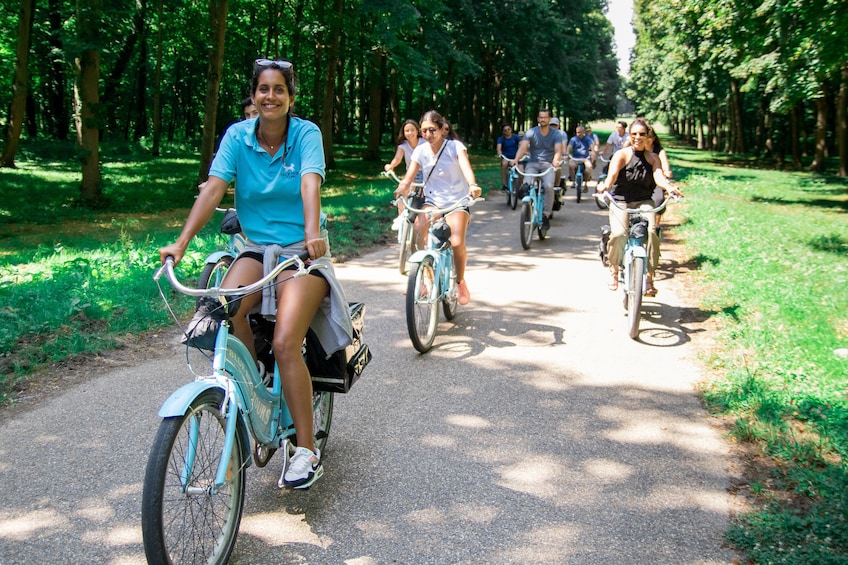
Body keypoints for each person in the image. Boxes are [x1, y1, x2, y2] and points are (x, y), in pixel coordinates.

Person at [159, 58, 352, 490]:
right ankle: (251, 390)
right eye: (263, 89)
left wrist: (310, 233)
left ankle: (306, 449)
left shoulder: (306, 134)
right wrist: (181, 242)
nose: (270, 96)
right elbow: (213, 188)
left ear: (290, 97)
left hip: (302, 253)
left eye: (279, 89)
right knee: (222, 313)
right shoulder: (237, 137)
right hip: (254, 249)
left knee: (286, 341)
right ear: (254, 95)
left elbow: (309, 183)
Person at [394, 110, 482, 305]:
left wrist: (473, 185)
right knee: (417, 232)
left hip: (457, 201)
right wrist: (401, 188)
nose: (427, 135)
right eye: (423, 131)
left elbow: (466, 168)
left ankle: (459, 281)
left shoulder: (454, 147)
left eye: (432, 130)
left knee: (457, 242)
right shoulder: (420, 151)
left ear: (443, 129)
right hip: (433, 201)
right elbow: (409, 177)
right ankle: (422, 278)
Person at [596, 117, 681, 296]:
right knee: (619, 234)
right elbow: (611, 176)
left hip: (644, 202)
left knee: (651, 233)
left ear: (648, 136)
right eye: (634, 134)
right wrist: (604, 186)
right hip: (620, 201)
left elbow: (659, 177)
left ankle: (649, 277)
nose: (637, 137)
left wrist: (669, 187)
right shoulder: (622, 155)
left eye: (642, 134)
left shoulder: (653, 158)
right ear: (629, 135)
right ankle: (614, 269)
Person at [511, 108, 563, 230]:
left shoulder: (556, 134)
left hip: (548, 164)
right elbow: (523, 147)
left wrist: (555, 160)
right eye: (541, 117)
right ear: (538, 119)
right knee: (527, 183)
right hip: (533, 163)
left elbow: (558, 150)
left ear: (549, 119)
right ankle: (528, 204)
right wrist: (516, 159)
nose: (543, 119)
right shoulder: (531, 132)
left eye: (545, 117)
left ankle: (546, 215)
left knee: (549, 186)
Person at [385, 119, 425, 230]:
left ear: (417, 131)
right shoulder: (403, 145)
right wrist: (391, 166)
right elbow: (397, 159)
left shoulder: (424, 142)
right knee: (401, 192)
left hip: (425, 174)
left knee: (421, 197)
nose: (410, 133)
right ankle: (401, 217)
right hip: (410, 174)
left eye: (412, 130)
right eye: (407, 131)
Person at [566, 125, 595, 189]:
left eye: (580, 132)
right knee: (571, 165)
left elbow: (591, 147)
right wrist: (567, 152)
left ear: (583, 132)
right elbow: (569, 146)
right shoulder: (573, 139)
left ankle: (586, 184)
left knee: (589, 167)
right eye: (577, 132)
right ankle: (573, 181)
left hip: (585, 158)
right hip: (575, 158)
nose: (578, 134)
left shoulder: (588, 139)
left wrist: (593, 153)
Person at [496, 123, 522, 191]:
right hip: (506, 157)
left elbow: (521, 145)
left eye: (508, 129)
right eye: (505, 130)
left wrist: (524, 152)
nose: (507, 131)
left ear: (511, 130)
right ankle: (504, 185)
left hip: (516, 157)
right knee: (504, 165)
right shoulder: (501, 139)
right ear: (503, 132)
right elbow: (499, 148)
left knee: (521, 170)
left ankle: (519, 187)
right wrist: (499, 152)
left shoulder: (516, 137)